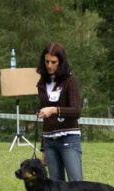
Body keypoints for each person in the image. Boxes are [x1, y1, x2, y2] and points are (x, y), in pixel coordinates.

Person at [36, 42, 83, 181]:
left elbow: (76, 111)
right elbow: (46, 118)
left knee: (76, 186)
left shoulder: (70, 80)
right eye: (46, 61)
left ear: (61, 62)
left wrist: (54, 110)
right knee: (55, 189)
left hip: (69, 138)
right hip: (49, 142)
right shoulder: (42, 82)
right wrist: (44, 148)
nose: (49, 65)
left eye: (53, 62)